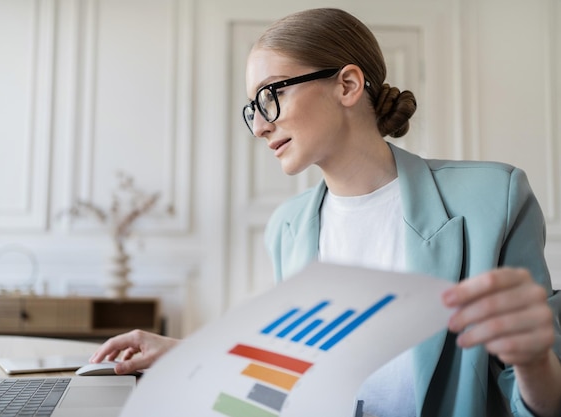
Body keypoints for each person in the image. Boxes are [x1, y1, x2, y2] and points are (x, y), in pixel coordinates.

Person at [90, 8, 561, 417]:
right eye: (252, 107)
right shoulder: (288, 227)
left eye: (271, 95)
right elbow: (292, 372)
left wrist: (536, 360)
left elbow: (539, 404)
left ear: (348, 85)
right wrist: (183, 353)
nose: (259, 125)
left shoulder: (493, 197)